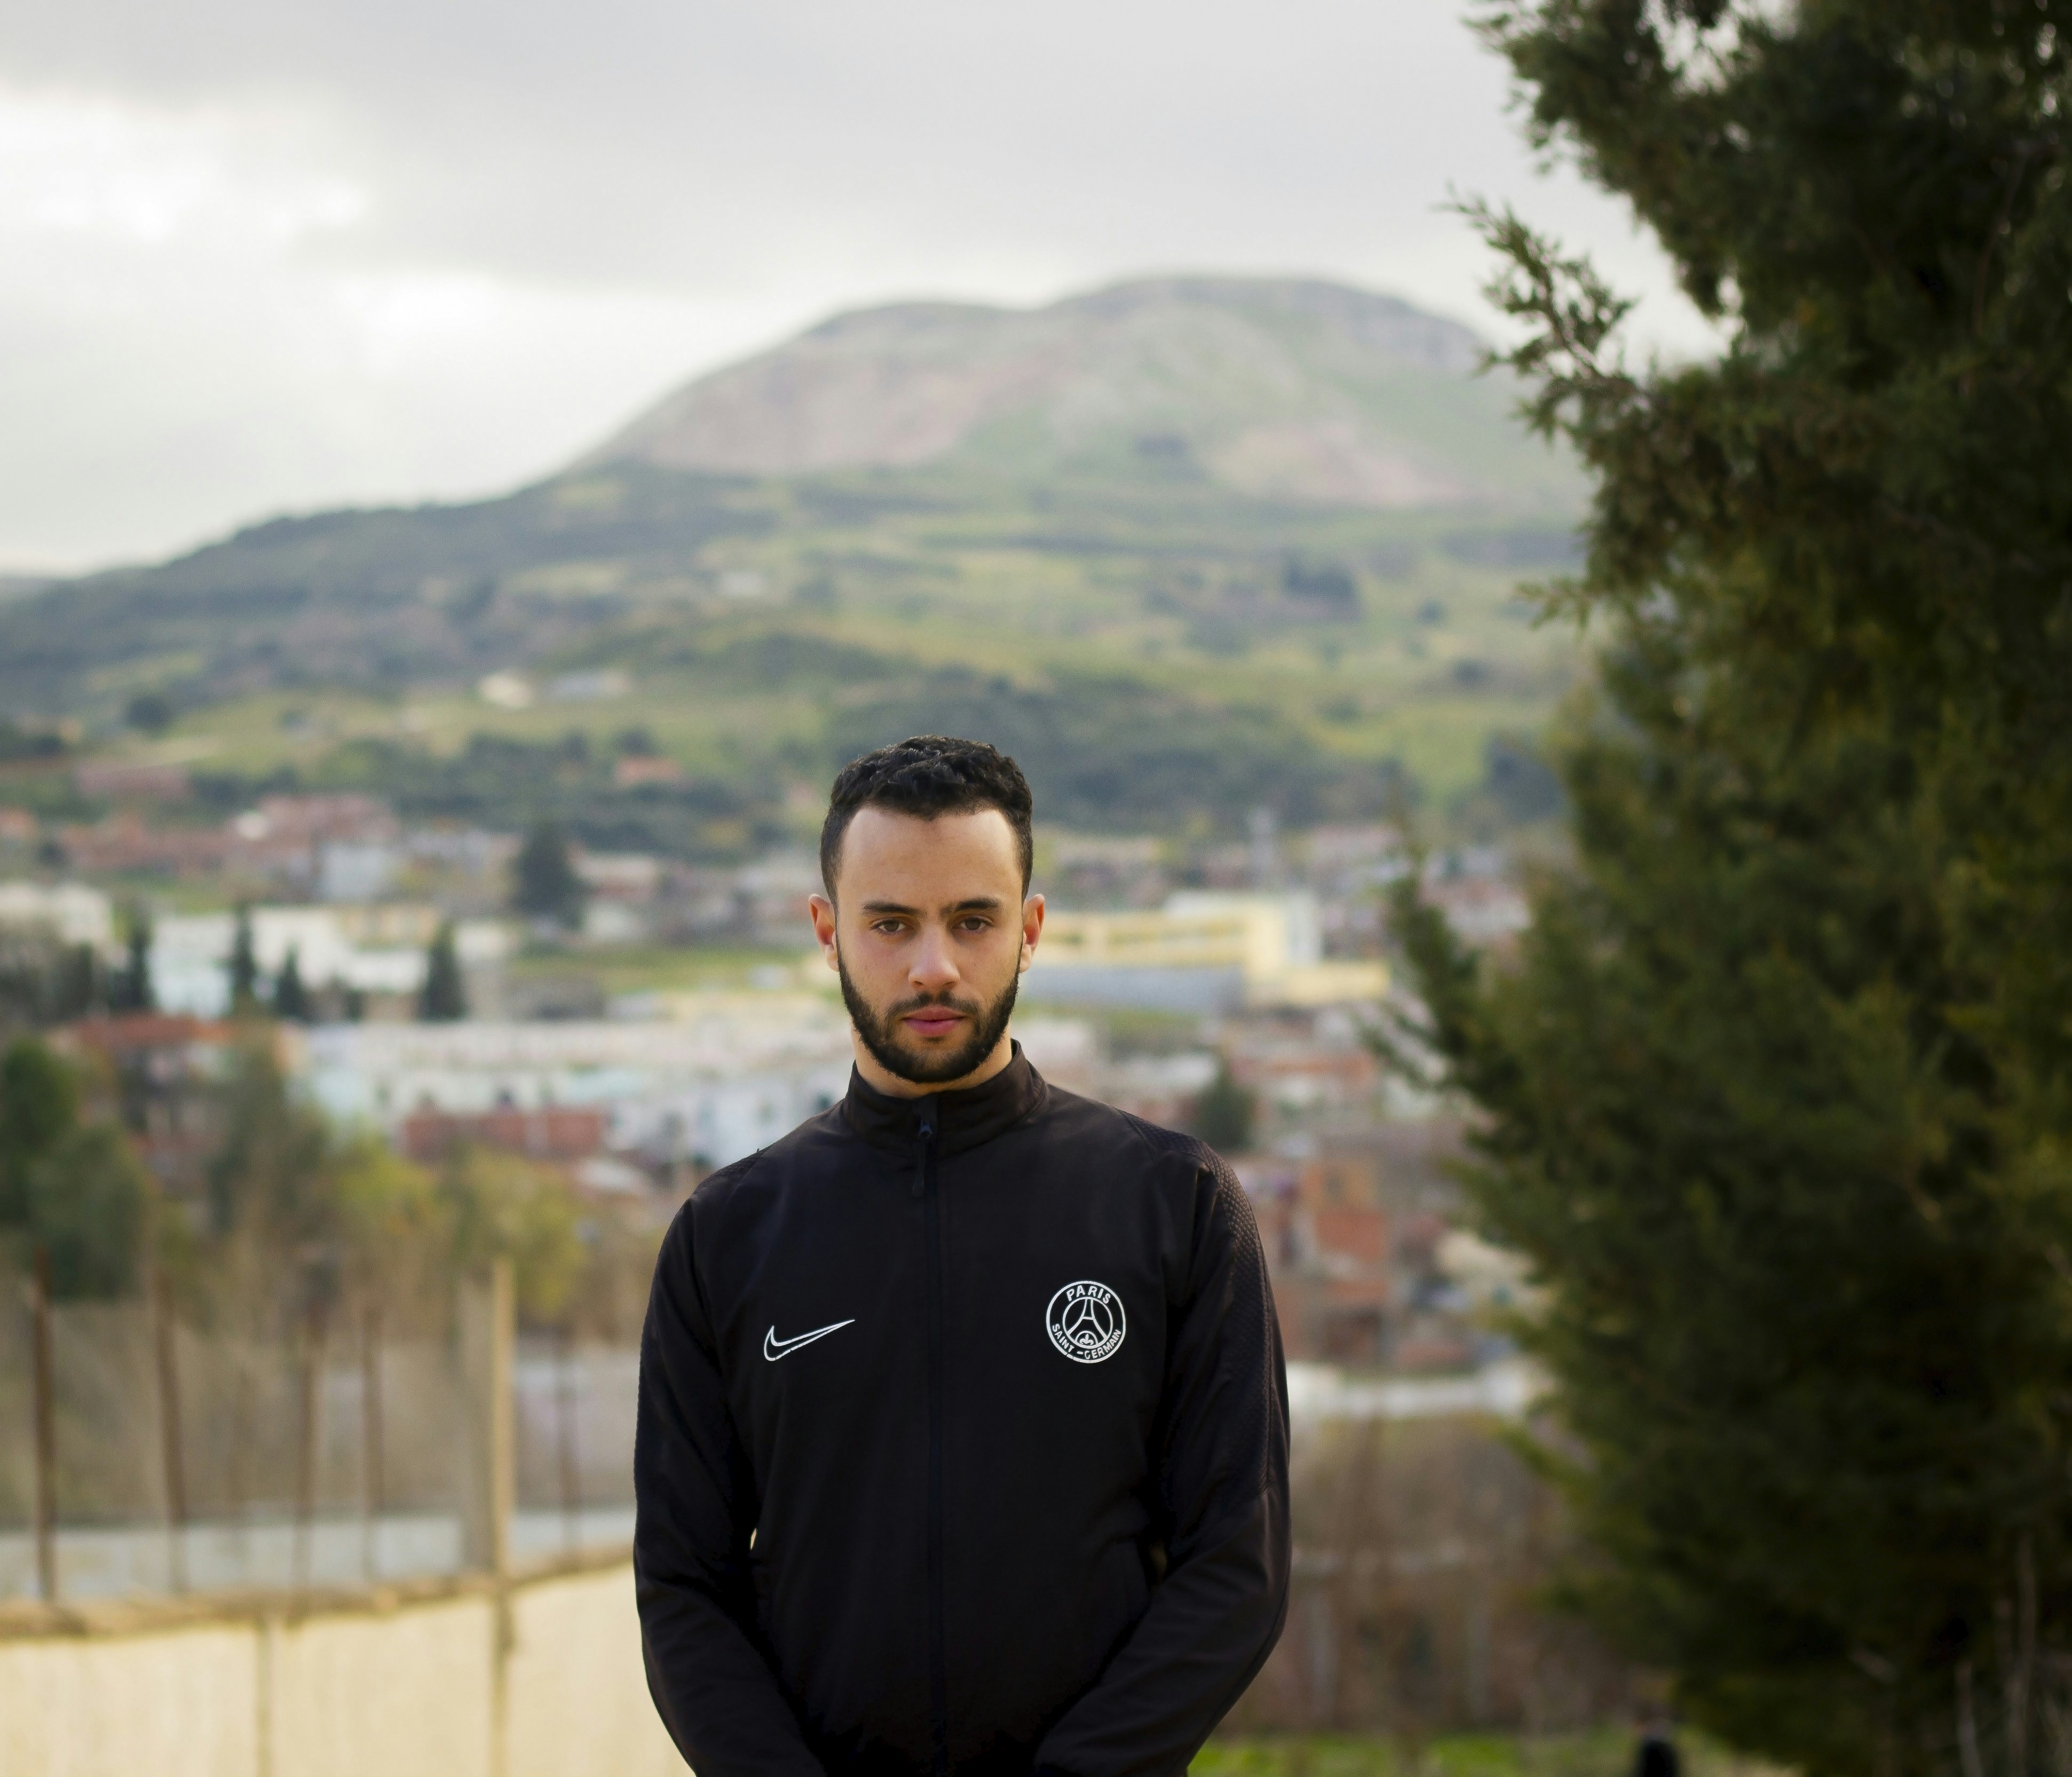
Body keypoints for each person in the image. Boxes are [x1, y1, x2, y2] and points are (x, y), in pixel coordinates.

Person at [634, 735, 1290, 1777]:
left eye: (972, 921)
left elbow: (1236, 1567)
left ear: (1029, 931)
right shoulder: (727, 1235)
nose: (932, 965)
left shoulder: (1174, 1205)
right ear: (827, 930)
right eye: (890, 923)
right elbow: (683, 1586)